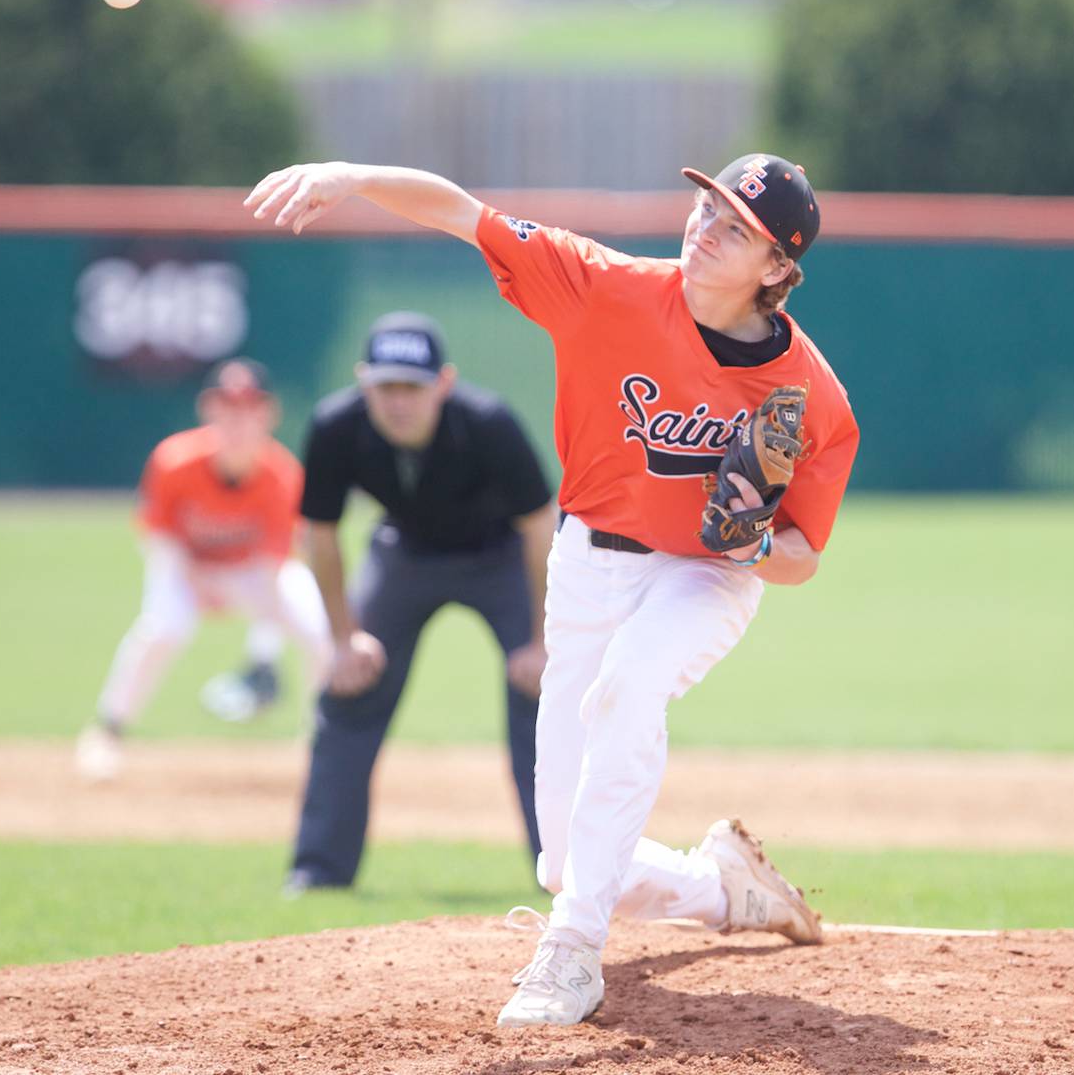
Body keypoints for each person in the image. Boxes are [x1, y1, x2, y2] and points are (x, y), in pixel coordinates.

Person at [245, 153, 859, 1028]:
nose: (704, 227)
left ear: (776, 269)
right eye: (706, 207)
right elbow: (468, 214)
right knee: (566, 857)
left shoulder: (811, 391)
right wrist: (352, 174)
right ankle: (727, 891)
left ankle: (572, 953)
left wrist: (755, 539)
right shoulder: (604, 287)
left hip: (705, 575)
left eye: (734, 227)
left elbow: (801, 556)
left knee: (628, 689)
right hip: (587, 564)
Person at [285, 311, 556, 893]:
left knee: (542, 693)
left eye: (412, 386)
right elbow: (321, 535)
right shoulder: (336, 427)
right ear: (363, 383)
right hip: (404, 554)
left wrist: (541, 640)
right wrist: (343, 638)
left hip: (501, 556)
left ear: (444, 382)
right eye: (386, 387)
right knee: (351, 686)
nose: (398, 402)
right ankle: (318, 871)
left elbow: (540, 526)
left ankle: (561, 868)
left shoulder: (488, 423)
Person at [75, 358, 332, 781]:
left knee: (319, 626)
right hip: (183, 565)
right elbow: (158, 536)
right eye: (227, 406)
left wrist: (262, 656)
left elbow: (273, 569)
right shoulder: (174, 461)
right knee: (163, 628)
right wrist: (193, 582)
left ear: (269, 413)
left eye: (249, 407)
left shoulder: (282, 476)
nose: (238, 418)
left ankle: (323, 742)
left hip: (250, 572)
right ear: (207, 410)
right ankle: (108, 731)